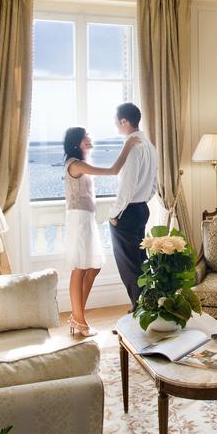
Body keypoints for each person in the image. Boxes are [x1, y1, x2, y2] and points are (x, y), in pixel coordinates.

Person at [62, 126, 140, 337]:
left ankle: (77, 315)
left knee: (92, 267)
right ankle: (79, 319)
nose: (89, 139)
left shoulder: (79, 163)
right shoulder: (76, 164)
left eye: (88, 135)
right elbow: (113, 171)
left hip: (85, 218)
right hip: (79, 219)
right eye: (84, 137)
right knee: (80, 268)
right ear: (76, 143)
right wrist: (127, 146)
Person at [108, 103, 158, 310]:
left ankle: (140, 309)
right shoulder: (150, 146)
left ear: (124, 121)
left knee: (129, 266)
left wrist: (114, 213)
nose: (115, 124)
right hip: (142, 209)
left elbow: (126, 187)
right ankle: (148, 306)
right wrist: (143, 200)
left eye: (116, 121)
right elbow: (154, 183)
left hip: (127, 213)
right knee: (141, 261)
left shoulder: (133, 147)